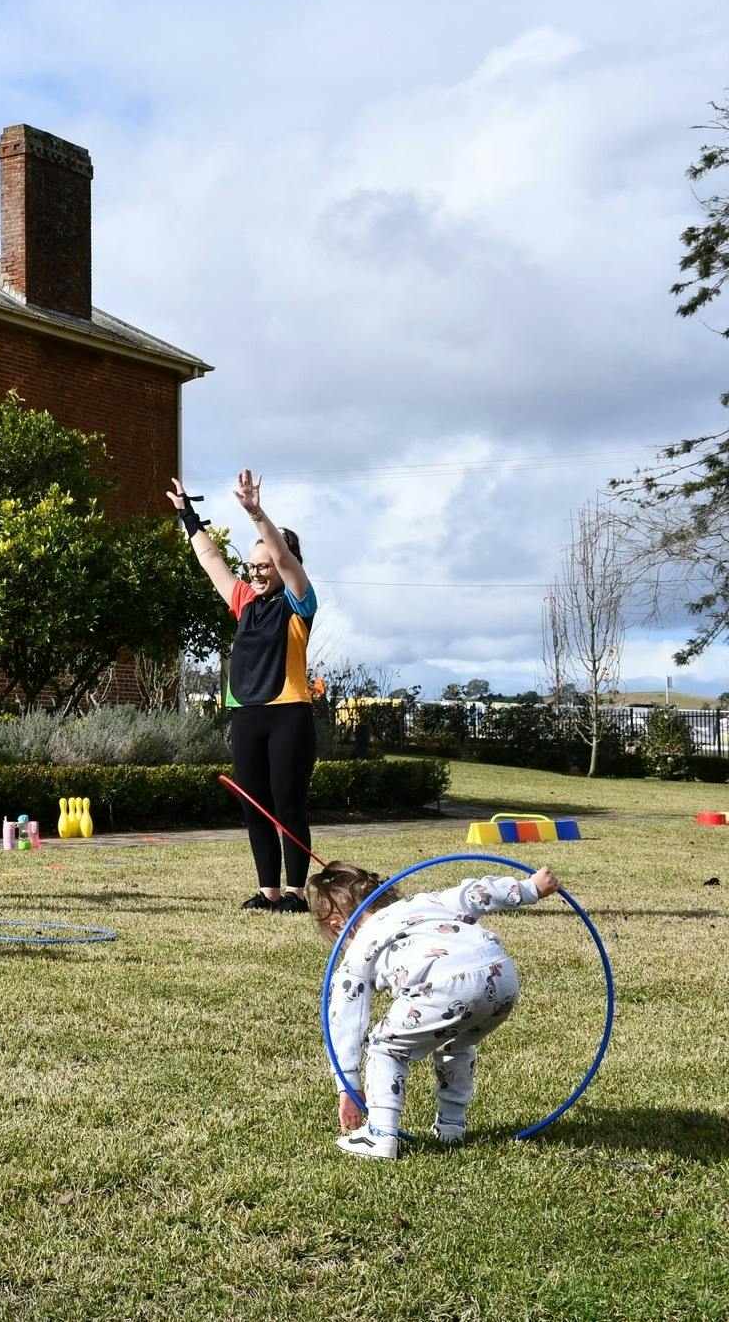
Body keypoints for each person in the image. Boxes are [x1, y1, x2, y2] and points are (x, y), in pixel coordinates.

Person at [310, 860, 556, 1159]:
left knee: (386, 1047)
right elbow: (475, 892)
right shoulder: (428, 901)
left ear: (338, 925)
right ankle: (451, 1127)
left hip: (445, 985)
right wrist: (530, 888)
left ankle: (380, 1136)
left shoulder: (361, 942)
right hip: (501, 978)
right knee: (456, 1041)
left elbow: (345, 1019)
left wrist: (348, 1083)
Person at [169, 469, 319, 913]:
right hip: (247, 715)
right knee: (256, 806)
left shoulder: (298, 602)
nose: (254, 572)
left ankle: (295, 893)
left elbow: (287, 562)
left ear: (283, 564)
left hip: (289, 713)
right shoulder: (244, 602)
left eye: (263, 565)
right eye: (250, 566)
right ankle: (267, 891)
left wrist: (256, 513)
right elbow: (210, 559)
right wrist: (187, 515)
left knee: (287, 804)